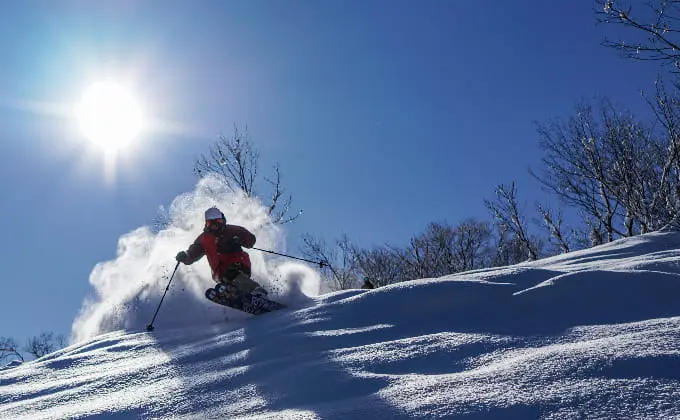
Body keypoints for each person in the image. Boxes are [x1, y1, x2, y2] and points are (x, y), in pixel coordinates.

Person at [175, 207, 267, 296]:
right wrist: (185, 256)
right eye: (211, 223)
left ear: (222, 220)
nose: (215, 225)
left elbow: (250, 240)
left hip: (238, 262)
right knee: (227, 277)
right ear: (207, 224)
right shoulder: (205, 239)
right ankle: (235, 294)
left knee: (233, 274)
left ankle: (256, 290)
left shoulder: (232, 230)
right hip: (219, 271)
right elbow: (193, 253)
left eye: (218, 222)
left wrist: (240, 240)